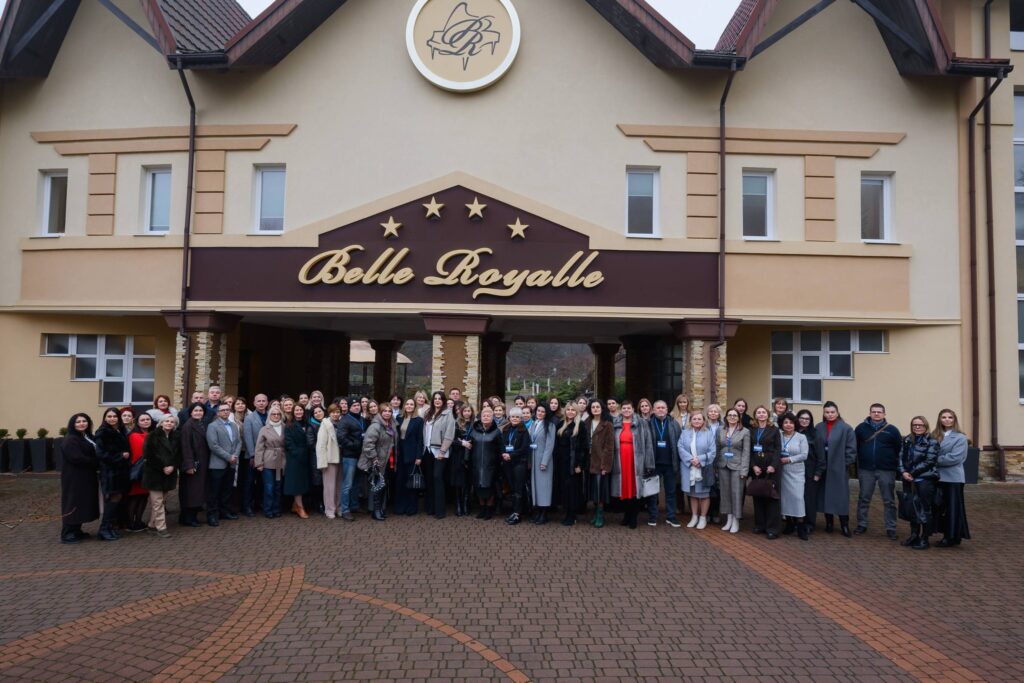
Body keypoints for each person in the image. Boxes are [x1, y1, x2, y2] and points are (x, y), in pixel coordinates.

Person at [854, 403, 903, 539]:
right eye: (874, 411)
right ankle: (862, 524)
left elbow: (899, 449)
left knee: (889, 500)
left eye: (879, 412)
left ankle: (891, 528)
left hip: (886, 470)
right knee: (864, 498)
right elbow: (855, 447)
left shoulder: (892, 430)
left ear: (884, 414)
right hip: (866, 469)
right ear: (870, 413)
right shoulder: (860, 428)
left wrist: (896, 466)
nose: (876, 414)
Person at [815, 401, 856, 537]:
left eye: (832, 412)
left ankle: (844, 525)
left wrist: (844, 464)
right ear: (824, 413)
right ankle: (829, 523)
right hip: (823, 467)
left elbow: (851, 450)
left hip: (839, 468)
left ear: (837, 413)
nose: (830, 414)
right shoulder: (819, 427)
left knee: (841, 497)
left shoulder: (846, 428)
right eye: (827, 412)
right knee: (826, 496)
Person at [898, 416, 939, 550]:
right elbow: (900, 457)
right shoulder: (907, 440)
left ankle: (924, 538)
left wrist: (912, 473)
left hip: (924, 480)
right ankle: (914, 535)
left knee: (925, 509)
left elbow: (929, 461)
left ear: (926, 426)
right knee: (911, 508)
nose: (917, 427)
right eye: (914, 425)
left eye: (920, 425)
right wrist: (903, 472)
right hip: (908, 479)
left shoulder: (932, 442)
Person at [612, 401, 654, 529]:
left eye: (628, 408)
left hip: (636, 462)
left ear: (633, 409)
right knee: (623, 488)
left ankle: (633, 517)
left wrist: (649, 463)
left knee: (635, 488)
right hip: (620, 461)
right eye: (624, 408)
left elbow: (648, 443)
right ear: (621, 410)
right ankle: (626, 515)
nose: (626, 410)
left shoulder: (642, 423)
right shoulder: (615, 423)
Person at [59, 413, 100, 544]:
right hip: (74, 477)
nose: (82, 423)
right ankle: (67, 534)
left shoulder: (86, 436)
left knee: (82, 503)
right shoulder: (70, 439)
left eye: (84, 421)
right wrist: (97, 462)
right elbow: (77, 458)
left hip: (86, 476)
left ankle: (76, 530)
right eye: (78, 422)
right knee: (73, 502)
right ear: (73, 424)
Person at [933, 409, 971, 548]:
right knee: (940, 507)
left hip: (953, 478)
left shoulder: (960, 438)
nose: (947, 420)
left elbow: (955, 458)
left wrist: (933, 460)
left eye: (950, 417)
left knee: (953, 509)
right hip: (937, 477)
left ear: (954, 420)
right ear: (939, 419)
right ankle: (948, 534)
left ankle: (951, 537)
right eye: (944, 417)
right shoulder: (934, 435)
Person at [142, 413, 180, 539]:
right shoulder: (152, 435)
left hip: (169, 474)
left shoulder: (176, 436)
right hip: (154, 474)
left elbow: (179, 455)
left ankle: (152, 525)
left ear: (175, 424)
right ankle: (161, 528)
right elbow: (148, 455)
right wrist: (162, 467)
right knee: (157, 502)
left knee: (161, 501)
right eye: (166, 421)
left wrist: (173, 466)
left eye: (172, 422)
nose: (169, 423)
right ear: (161, 423)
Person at [94, 408, 131, 541]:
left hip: (120, 472)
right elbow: (100, 454)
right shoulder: (102, 432)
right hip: (110, 472)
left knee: (117, 500)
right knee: (111, 501)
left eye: (114, 416)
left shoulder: (120, 430)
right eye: (109, 416)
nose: (112, 419)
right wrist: (120, 456)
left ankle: (109, 528)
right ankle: (103, 529)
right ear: (105, 418)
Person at [645, 400, 682, 527]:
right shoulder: (648, 423)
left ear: (667, 410)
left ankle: (671, 516)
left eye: (663, 407)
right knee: (653, 492)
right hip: (654, 464)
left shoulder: (674, 424)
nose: (661, 410)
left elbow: (679, 443)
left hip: (670, 464)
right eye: (658, 408)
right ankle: (653, 516)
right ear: (653, 410)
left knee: (671, 492)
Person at [748, 405, 783, 538]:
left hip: (771, 466)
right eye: (759, 412)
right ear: (755, 415)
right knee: (758, 495)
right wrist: (753, 466)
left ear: (768, 415)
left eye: (763, 412)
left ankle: (772, 529)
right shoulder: (752, 430)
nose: (761, 414)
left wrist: (773, 465)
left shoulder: (774, 430)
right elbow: (749, 450)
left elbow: (778, 449)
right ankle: (760, 525)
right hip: (757, 466)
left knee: (771, 497)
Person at [679, 410, 717, 529]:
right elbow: (680, 447)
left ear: (703, 421)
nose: (697, 421)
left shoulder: (708, 433)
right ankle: (694, 516)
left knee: (704, 495)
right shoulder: (685, 433)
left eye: (699, 419)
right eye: (694, 419)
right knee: (693, 494)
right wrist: (691, 460)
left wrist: (700, 460)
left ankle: (703, 517)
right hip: (689, 467)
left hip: (703, 468)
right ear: (690, 420)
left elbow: (712, 451)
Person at [205, 402, 240, 526]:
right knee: (214, 491)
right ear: (218, 412)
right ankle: (212, 515)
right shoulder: (212, 426)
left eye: (227, 410)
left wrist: (235, 455)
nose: (225, 412)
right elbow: (213, 445)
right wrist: (228, 457)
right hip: (218, 464)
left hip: (232, 463)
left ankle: (224, 512)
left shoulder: (234, 425)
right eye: (223, 410)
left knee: (227, 490)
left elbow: (238, 442)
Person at [359, 408, 396, 522]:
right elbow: (368, 444)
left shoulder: (390, 425)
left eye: (389, 411)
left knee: (382, 486)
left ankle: (380, 510)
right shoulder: (375, 426)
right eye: (384, 411)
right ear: (380, 413)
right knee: (377, 487)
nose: (387, 413)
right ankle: (375, 512)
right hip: (376, 461)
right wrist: (374, 458)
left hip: (387, 460)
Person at [716, 407, 749, 534]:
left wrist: (744, 471)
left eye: (735, 415)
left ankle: (736, 520)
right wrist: (716, 465)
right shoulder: (720, 430)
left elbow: (746, 453)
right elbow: (717, 447)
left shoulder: (745, 431)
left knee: (736, 493)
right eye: (730, 415)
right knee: (725, 493)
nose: (732, 417)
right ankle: (729, 519)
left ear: (739, 418)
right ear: (726, 417)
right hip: (723, 465)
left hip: (737, 466)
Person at [778, 412, 811, 540]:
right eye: (785, 422)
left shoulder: (801, 437)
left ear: (795, 424)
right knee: (785, 499)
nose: (788, 425)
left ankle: (801, 526)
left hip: (796, 472)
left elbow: (804, 455)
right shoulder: (778, 435)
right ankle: (789, 524)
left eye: (791, 422)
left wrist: (789, 459)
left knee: (798, 498)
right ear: (781, 424)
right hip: (782, 472)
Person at [424, 391, 456, 519]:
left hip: (440, 452)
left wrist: (443, 451)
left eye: (440, 398)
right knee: (429, 480)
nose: (437, 400)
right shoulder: (428, 413)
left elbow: (449, 435)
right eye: (435, 398)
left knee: (437, 478)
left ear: (443, 401)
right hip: (427, 450)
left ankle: (440, 510)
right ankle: (430, 508)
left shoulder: (448, 414)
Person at [554, 403, 586, 526]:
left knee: (573, 490)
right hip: (561, 462)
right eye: (568, 409)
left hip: (573, 463)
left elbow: (583, 447)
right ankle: (567, 513)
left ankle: (572, 515)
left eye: (573, 410)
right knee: (564, 489)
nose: (570, 412)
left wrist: (580, 464)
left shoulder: (580, 425)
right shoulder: (561, 424)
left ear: (576, 412)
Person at [179, 403, 209, 527]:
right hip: (193, 464)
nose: (198, 413)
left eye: (200, 410)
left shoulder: (202, 424)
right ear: (191, 412)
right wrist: (189, 465)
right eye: (195, 410)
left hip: (202, 462)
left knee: (198, 491)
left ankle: (192, 517)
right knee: (192, 492)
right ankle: (188, 518)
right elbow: (186, 447)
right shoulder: (188, 426)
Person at [470, 405, 502, 519]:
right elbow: (469, 446)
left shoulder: (497, 432)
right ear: (481, 417)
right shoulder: (474, 431)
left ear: (492, 417)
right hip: (476, 464)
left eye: (488, 415)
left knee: (490, 488)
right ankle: (482, 508)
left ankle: (489, 509)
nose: (486, 417)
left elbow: (501, 449)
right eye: (484, 415)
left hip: (491, 466)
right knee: (478, 487)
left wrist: (500, 462)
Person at [501, 407, 532, 525]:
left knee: (518, 489)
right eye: (513, 416)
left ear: (521, 418)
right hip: (507, 463)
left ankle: (517, 514)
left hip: (519, 463)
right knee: (512, 489)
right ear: (509, 417)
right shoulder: (506, 429)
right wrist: (503, 453)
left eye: (517, 417)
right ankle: (514, 511)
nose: (514, 419)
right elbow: (502, 444)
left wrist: (511, 455)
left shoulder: (524, 431)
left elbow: (524, 448)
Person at [337, 397, 366, 521]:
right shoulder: (345, 420)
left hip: (361, 456)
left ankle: (354, 506)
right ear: (349, 407)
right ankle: (345, 510)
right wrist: (355, 445)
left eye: (358, 405)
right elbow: (341, 438)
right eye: (354, 405)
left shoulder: (362, 419)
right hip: (350, 456)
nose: (357, 407)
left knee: (357, 482)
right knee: (347, 484)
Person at [587, 399, 615, 528]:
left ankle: (600, 514)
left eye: (598, 407)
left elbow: (609, 447)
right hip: (589, 461)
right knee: (592, 490)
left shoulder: (607, 425)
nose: (595, 409)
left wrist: (605, 466)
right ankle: (595, 513)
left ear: (602, 409)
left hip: (600, 462)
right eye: (593, 407)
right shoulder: (587, 422)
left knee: (600, 490)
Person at [125, 411, 154, 532]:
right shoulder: (134, 435)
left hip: (149, 472)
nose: (146, 421)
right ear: (137, 422)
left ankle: (138, 521)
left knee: (144, 497)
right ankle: (130, 523)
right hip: (139, 471)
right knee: (135, 498)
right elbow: (138, 455)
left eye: (148, 419)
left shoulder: (152, 434)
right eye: (143, 420)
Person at [255, 406, 286, 518]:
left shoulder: (285, 427)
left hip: (280, 462)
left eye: (278, 414)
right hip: (268, 461)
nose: (276, 416)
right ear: (270, 416)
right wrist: (259, 463)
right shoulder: (264, 429)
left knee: (278, 486)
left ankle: (276, 509)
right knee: (269, 487)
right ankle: (268, 509)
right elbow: (259, 447)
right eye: (273, 414)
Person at [241, 393, 269, 517]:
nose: (261, 403)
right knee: (250, 482)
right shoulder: (249, 418)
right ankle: (247, 506)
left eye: (263, 401)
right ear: (254, 403)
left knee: (263, 482)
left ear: (267, 402)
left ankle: (259, 503)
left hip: (267, 455)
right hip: (252, 456)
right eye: (259, 401)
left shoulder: (271, 415)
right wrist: (253, 455)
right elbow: (247, 438)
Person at [526, 404, 555, 524]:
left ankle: (544, 513)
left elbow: (549, 445)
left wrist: (544, 462)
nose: (540, 413)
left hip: (543, 461)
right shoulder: (533, 424)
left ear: (546, 413)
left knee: (544, 487)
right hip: (533, 460)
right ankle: (538, 511)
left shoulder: (550, 425)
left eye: (543, 411)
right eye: (538, 411)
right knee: (536, 487)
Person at [395, 399, 425, 516]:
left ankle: (412, 507)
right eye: (407, 404)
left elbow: (420, 440)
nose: (409, 406)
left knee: (411, 481)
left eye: (411, 404)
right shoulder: (398, 418)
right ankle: (400, 506)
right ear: (404, 406)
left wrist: (419, 456)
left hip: (412, 454)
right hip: (400, 453)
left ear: (415, 406)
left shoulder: (419, 420)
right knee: (400, 481)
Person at [284, 403, 312, 518]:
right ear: (293, 412)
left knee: (303, 482)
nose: (299, 412)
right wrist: (298, 454)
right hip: (295, 458)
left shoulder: (308, 424)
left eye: (300, 410)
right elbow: (288, 443)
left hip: (307, 456)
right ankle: (300, 507)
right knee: (297, 484)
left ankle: (295, 505)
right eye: (296, 410)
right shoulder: (289, 425)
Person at [796, 410, 821, 533]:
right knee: (796, 497)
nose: (804, 421)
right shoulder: (793, 432)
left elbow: (821, 456)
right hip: (794, 471)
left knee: (809, 499)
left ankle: (809, 523)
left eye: (807, 419)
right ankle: (795, 522)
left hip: (810, 472)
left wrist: (818, 473)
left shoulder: (815, 435)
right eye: (802, 418)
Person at [317, 403, 343, 519]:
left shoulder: (342, 423)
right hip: (330, 459)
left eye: (337, 412)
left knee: (339, 486)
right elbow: (321, 445)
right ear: (329, 413)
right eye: (333, 412)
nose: (335, 414)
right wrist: (322, 462)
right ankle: (329, 509)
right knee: (329, 487)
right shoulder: (325, 424)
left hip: (341, 458)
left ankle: (338, 508)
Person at [450, 403, 475, 517]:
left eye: (469, 411)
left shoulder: (476, 424)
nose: (467, 413)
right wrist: (462, 443)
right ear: (461, 412)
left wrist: (471, 443)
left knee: (467, 482)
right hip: (458, 455)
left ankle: (466, 504)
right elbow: (451, 439)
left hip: (471, 456)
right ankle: (458, 505)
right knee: (458, 482)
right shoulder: (456, 423)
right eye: (465, 411)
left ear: (472, 412)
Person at [306, 404, 326, 514]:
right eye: (315, 412)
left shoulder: (327, 423)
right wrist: (323, 449)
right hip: (316, 457)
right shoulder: (311, 426)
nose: (318, 414)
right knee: (318, 481)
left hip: (327, 457)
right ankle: (319, 503)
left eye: (320, 411)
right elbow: (310, 443)